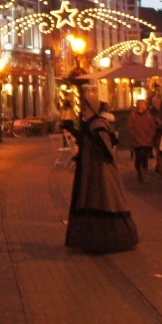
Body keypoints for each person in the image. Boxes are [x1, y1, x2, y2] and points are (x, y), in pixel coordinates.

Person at [64, 87, 138, 254]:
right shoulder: (91, 125)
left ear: (94, 110)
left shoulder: (98, 125)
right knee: (92, 200)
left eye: (86, 109)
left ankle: (107, 241)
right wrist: (75, 131)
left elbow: (105, 149)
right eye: (83, 109)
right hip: (90, 171)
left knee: (104, 199)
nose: (84, 112)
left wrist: (91, 141)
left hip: (100, 173)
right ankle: (92, 240)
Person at [127, 99, 156, 183]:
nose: (144, 106)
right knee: (138, 157)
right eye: (142, 104)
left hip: (147, 141)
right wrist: (135, 136)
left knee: (144, 157)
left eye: (144, 104)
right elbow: (130, 127)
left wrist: (150, 136)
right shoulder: (133, 115)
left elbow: (152, 127)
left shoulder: (149, 115)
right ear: (138, 105)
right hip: (137, 141)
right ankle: (139, 171)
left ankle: (143, 173)